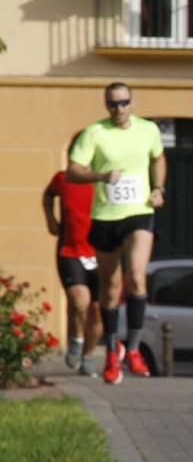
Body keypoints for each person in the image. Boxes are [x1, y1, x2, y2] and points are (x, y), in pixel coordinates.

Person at [67, 82, 166, 385]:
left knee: (136, 276)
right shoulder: (94, 133)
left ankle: (133, 348)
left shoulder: (148, 129)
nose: (119, 109)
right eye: (113, 104)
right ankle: (112, 351)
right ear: (106, 105)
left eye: (124, 103)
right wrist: (101, 175)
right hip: (105, 216)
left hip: (139, 211)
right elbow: (73, 170)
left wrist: (159, 188)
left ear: (132, 103)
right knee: (110, 290)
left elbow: (158, 157)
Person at [43, 135, 102, 376]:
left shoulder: (104, 179)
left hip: (100, 251)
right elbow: (48, 195)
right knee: (79, 301)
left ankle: (88, 357)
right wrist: (51, 220)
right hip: (70, 249)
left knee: (97, 310)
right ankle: (76, 341)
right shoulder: (63, 178)